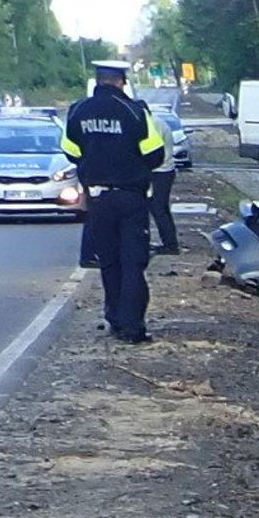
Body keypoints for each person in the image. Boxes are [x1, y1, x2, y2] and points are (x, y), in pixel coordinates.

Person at [61, 60, 165, 344]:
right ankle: (133, 327)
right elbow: (156, 154)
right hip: (130, 197)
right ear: (121, 81)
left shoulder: (78, 110)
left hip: (97, 198)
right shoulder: (135, 110)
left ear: (98, 80)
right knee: (133, 263)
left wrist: (94, 158)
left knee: (109, 262)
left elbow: (69, 150)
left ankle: (115, 320)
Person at [147, 108, 179, 255]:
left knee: (157, 208)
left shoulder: (152, 124)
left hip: (160, 171)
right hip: (165, 170)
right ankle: (170, 242)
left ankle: (170, 245)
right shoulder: (158, 122)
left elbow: (151, 149)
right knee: (162, 208)